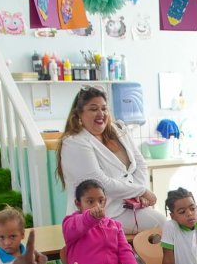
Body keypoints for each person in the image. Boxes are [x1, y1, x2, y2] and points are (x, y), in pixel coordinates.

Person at [57, 87, 165, 234]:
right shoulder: (74, 142)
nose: (101, 114)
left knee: (165, 227)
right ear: (79, 114)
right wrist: (141, 191)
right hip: (101, 214)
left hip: (128, 207)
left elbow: (139, 163)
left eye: (104, 108)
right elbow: (99, 183)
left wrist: (138, 194)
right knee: (162, 225)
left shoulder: (117, 130)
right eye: (93, 109)